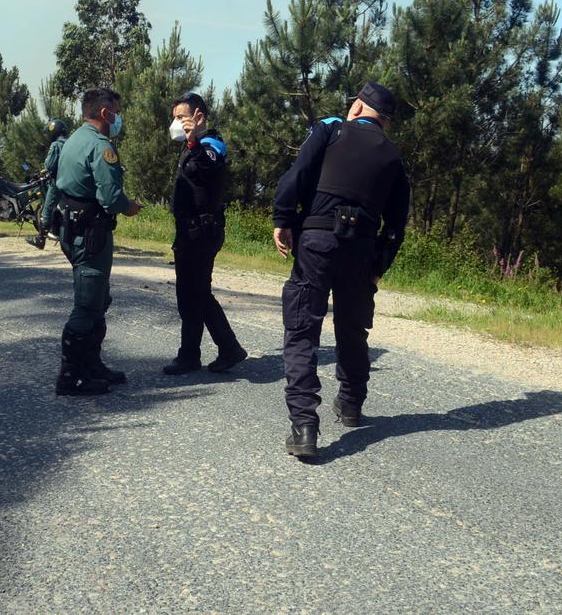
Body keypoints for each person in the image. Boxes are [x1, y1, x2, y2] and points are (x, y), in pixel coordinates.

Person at [272, 82, 411, 459]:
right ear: (385, 122)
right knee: (352, 328)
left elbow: (297, 176)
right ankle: (350, 404)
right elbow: (398, 222)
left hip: (317, 240)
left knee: (302, 330)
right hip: (361, 249)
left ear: (357, 108)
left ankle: (304, 426)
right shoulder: (395, 158)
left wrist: (282, 219)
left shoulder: (329, 130)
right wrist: (379, 264)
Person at [52, 88, 142, 396]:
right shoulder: (101, 146)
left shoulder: (74, 140)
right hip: (90, 235)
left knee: (99, 300)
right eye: (117, 111)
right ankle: (71, 377)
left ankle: (91, 365)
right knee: (88, 305)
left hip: (72, 230)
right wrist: (130, 207)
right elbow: (111, 197)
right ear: (105, 113)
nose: (119, 118)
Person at [162, 92, 247, 376]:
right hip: (189, 232)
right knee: (193, 294)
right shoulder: (193, 145)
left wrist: (194, 139)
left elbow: (204, 166)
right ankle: (219, 349)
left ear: (198, 117)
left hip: (202, 233)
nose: (176, 123)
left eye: (181, 117)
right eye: (174, 118)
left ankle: (198, 354)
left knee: (193, 294)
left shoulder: (211, 145)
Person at [27, 119, 69, 250]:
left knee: (48, 208)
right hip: (73, 182)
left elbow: (50, 165)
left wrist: (46, 168)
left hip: (58, 182)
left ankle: (41, 239)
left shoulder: (56, 145)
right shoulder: (70, 143)